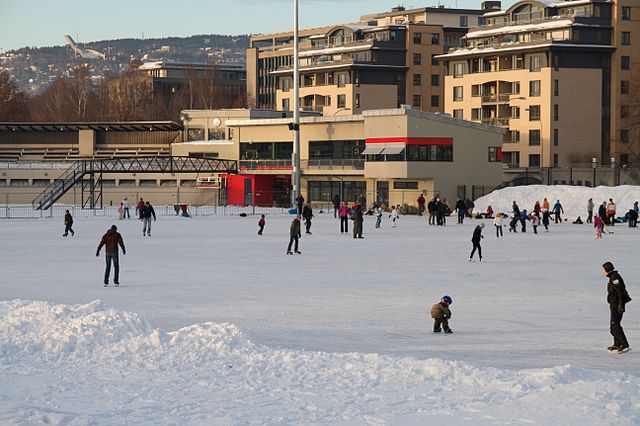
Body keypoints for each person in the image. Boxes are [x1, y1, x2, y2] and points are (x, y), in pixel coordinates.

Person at [602, 261, 631, 354]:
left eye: (603, 270)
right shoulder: (612, 277)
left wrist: (620, 305)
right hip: (614, 304)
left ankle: (624, 344)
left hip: (617, 305)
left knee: (615, 325)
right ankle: (617, 344)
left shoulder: (615, 278)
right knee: (614, 325)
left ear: (607, 270)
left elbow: (620, 292)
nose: (603, 272)